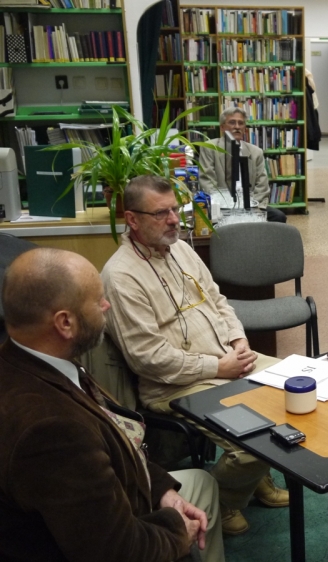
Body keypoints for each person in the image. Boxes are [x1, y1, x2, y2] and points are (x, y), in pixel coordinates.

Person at [0, 247, 224, 562]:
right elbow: (116, 550)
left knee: (203, 483)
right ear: (65, 323)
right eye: (97, 301)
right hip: (108, 537)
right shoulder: (52, 430)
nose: (106, 305)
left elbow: (114, 436)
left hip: (110, 500)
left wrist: (161, 489)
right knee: (198, 508)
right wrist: (177, 530)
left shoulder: (30, 361)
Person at [102, 175, 289, 537]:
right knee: (254, 445)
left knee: (297, 387)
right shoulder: (121, 276)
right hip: (176, 384)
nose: (174, 220)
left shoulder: (180, 249)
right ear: (132, 219)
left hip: (226, 359)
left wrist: (238, 339)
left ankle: (252, 480)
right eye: (161, 213)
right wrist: (219, 366)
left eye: (176, 209)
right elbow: (148, 359)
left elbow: (218, 300)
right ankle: (223, 500)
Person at [198, 107, 287, 223]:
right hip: (222, 206)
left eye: (241, 123)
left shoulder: (256, 152)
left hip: (250, 205)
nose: (237, 127)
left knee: (278, 217)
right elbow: (208, 182)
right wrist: (225, 206)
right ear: (222, 127)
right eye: (232, 122)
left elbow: (262, 186)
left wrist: (252, 207)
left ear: (245, 129)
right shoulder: (210, 148)